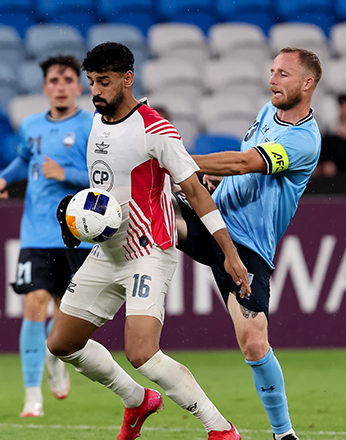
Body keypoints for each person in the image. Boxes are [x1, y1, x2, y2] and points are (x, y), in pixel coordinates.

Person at [46, 42, 251, 440]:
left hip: (149, 253)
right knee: (62, 343)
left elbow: (194, 190)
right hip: (106, 253)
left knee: (141, 352)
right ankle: (137, 400)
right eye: (91, 82)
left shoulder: (156, 129)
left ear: (128, 78)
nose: (96, 91)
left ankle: (221, 429)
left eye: (103, 82)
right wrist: (81, 217)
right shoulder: (96, 120)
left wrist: (229, 254)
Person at [174, 47, 323, 440]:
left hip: (248, 248)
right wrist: (214, 180)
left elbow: (244, 163)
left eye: (284, 74)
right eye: (272, 71)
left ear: (308, 84)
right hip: (212, 223)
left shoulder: (304, 141)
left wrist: (183, 160)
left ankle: (283, 433)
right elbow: (239, 169)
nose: (272, 79)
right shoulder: (265, 113)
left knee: (254, 343)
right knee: (149, 216)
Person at [0, 55, 93, 417]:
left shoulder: (92, 126)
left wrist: (65, 172)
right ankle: (32, 396)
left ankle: (54, 356)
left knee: (65, 320)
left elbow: (102, 177)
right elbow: (24, 159)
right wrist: (4, 176)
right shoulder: (31, 125)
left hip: (77, 237)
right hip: (35, 234)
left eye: (67, 80)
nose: (61, 86)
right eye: (54, 80)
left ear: (78, 87)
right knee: (33, 302)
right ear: (45, 88)